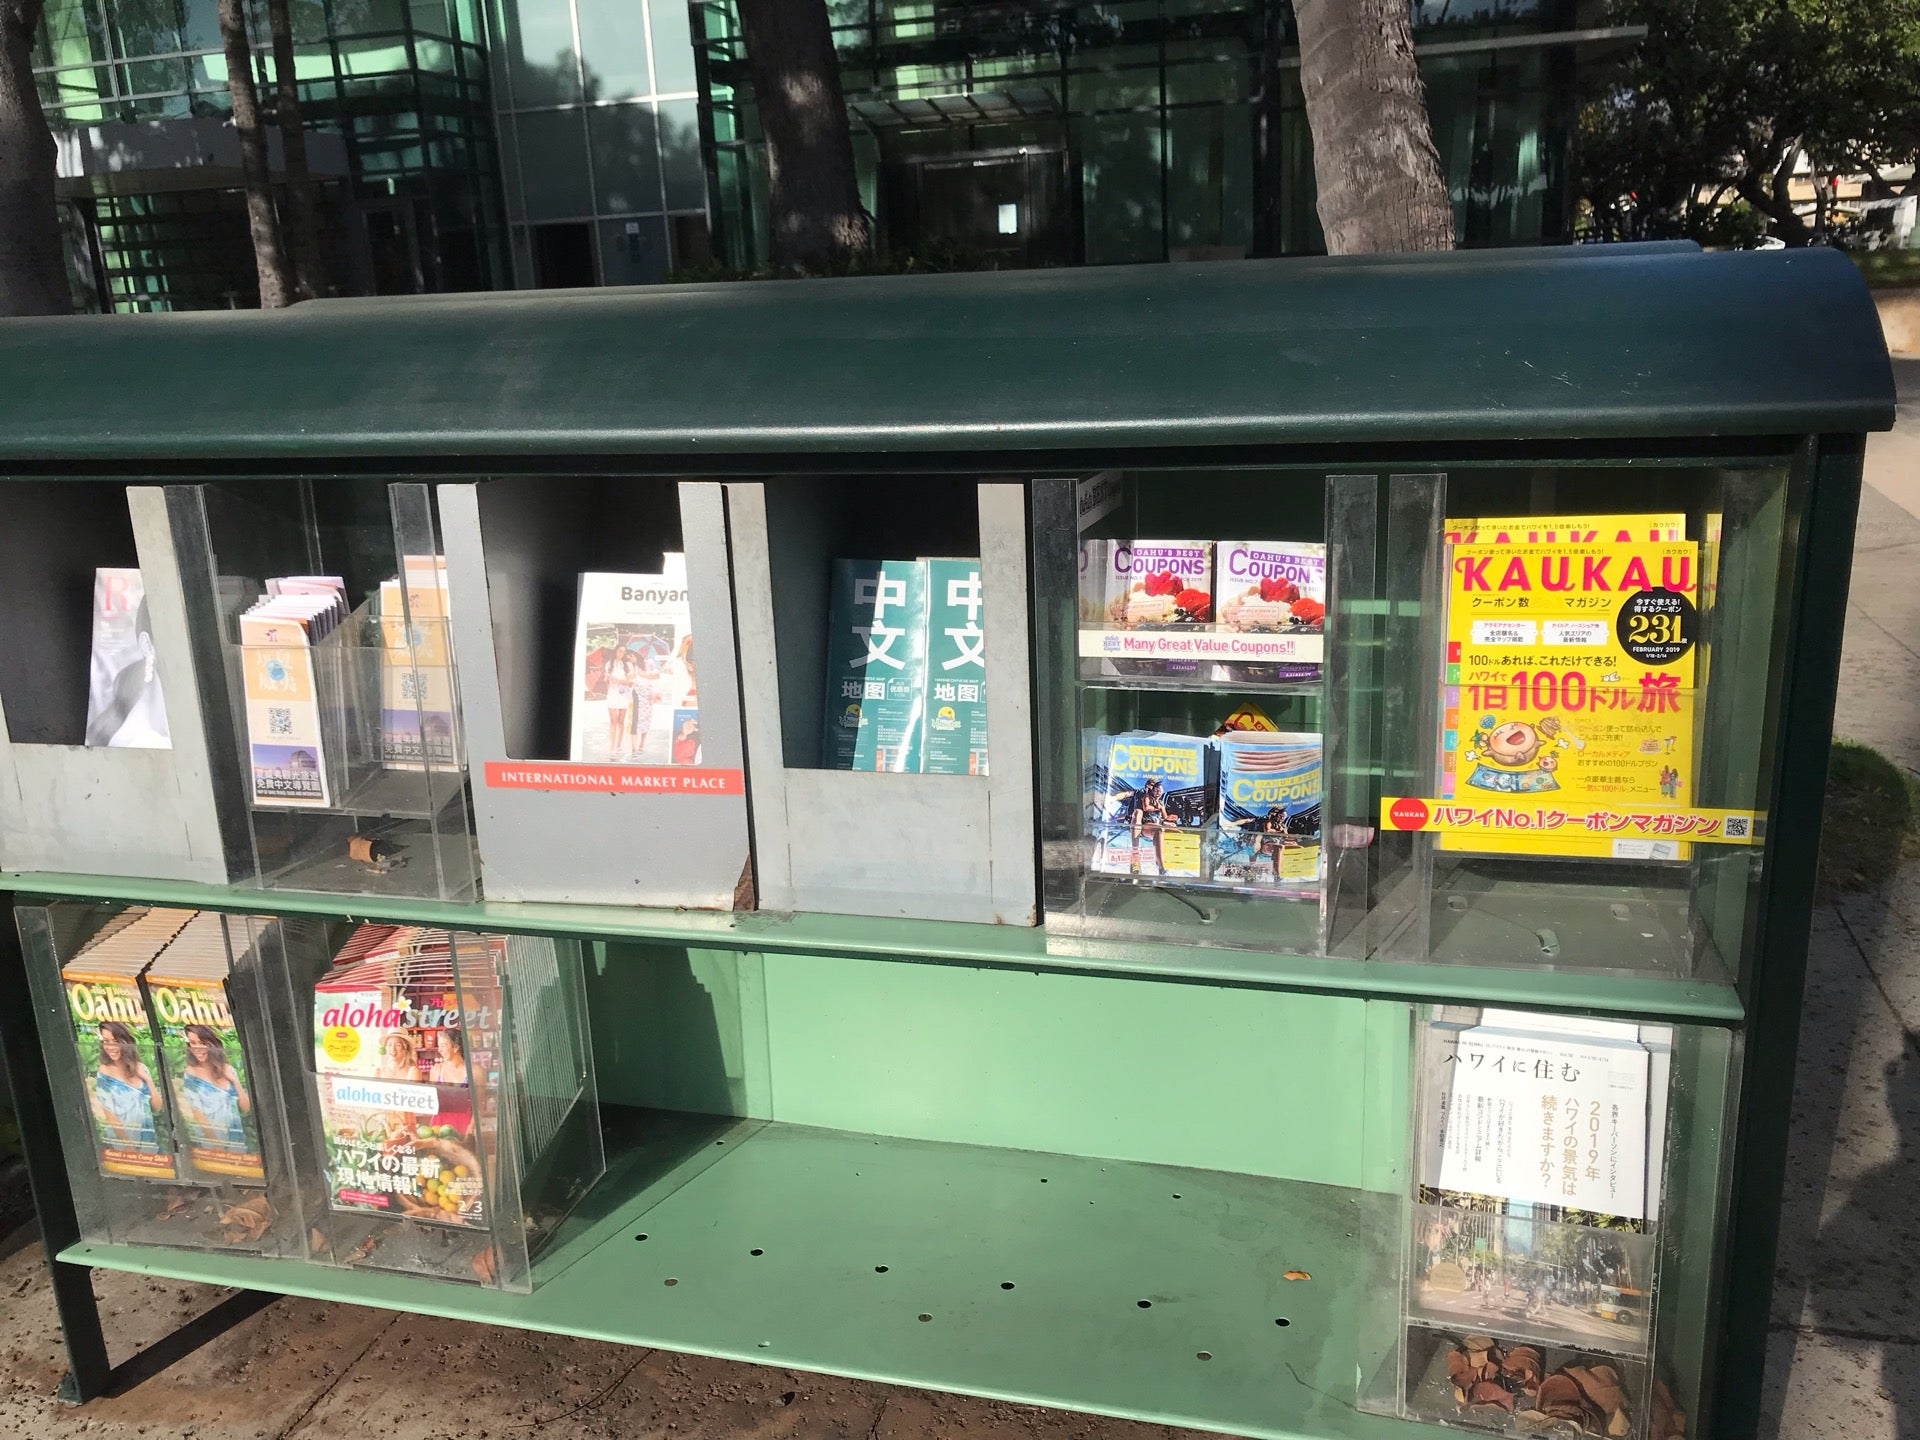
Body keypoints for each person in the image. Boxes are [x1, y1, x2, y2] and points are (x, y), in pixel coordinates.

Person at [91, 1020, 163, 1148]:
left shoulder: (141, 1068)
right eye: (106, 1041)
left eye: (115, 1041)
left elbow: (157, 1108)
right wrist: (128, 1144)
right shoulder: (104, 1071)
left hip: (146, 1138)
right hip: (121, 1141)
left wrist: (148, 1080)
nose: (110, 1047)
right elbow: (108, 1112)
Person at [179, 1024, 251, 1150]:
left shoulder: (228, 1070)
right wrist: (216, 1144)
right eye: (192, 1043)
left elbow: (245, 1109)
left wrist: (235, 1082)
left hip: (235, 1136)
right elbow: (198, 1114)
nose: (197, 1048)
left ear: (211, 1044)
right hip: (210, 1140)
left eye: (201, 1043)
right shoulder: (191, 1073)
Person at [1128, 776, 1169, 875]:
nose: (1158, 792)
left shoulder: (1160, 802)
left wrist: (1161, 808)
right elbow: (1146, 807)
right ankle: (1135, 857)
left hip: (1155, 825)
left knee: (1160, 829)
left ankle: (1161, 866)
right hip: (1143, 825)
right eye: (1156, 790)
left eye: (1160, 790)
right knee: (1138, 812)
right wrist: (1157, 808)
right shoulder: (1146, 796)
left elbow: (1165, 816)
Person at [604, 650, 636, 759]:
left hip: (624, 695)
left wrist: (620, 681)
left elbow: (631, 682)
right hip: (612, 695)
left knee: (621, 721)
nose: (621, 653)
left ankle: (618, 746)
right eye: (619, 651)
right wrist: (607, 678)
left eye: (623, 652)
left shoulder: (628, 665)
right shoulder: (609, 664)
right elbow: (607, 680)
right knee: (613, 721)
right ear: (616, 652)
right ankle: (611, 747)